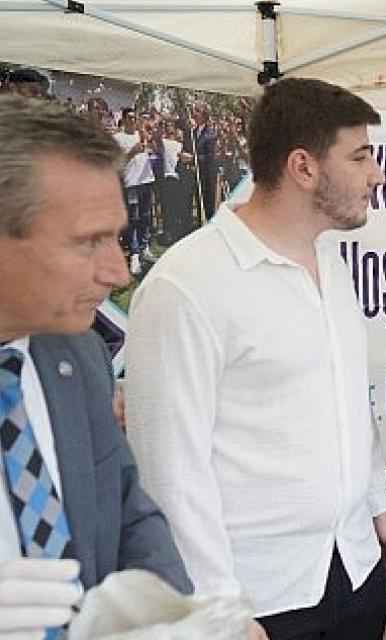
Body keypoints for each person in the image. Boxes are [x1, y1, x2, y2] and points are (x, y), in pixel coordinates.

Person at [125, 78, 386, 640]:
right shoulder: (187, 284)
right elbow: (170, 473)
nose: (377, 174)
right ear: (303, 167)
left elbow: (350, 402)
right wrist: (217, 608)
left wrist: (379, 503)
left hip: (352, 565)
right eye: (360, 157)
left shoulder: (331, 263)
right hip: (259, 597)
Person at [0, 95, 192, 638]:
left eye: (117, 237)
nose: (118, 273)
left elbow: (127, 507)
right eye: (89, 242)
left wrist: (175, 617)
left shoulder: (78, 354)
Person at [113, 107, 156, 275]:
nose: (133, 120)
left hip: (146, 181)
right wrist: (131, 153)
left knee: (146, 216)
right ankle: (135, 253)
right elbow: (117, 163)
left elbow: (152, 148)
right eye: (129, 118)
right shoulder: (118, 138)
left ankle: (144, 248)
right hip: (131, 183)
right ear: (123, 120)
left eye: (134, 117)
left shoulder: (141, 134)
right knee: (133, 218)